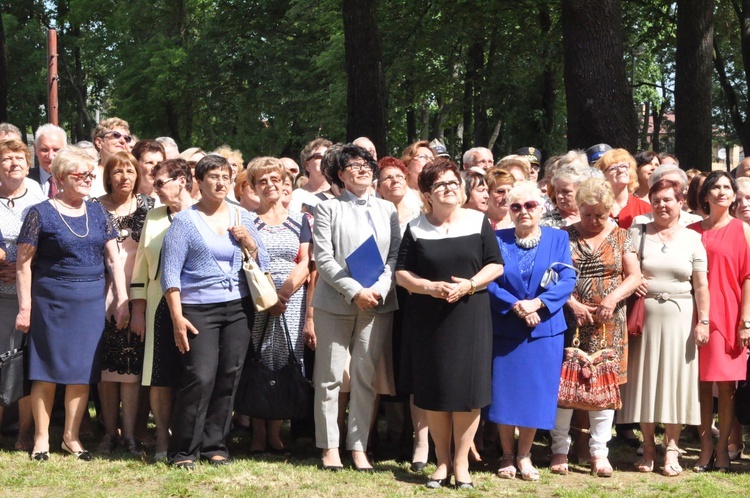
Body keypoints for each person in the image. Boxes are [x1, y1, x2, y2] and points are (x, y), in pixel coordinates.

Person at [16, 145, 129, 461]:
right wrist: (25, 308)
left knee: (82, 371)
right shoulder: (40, 212)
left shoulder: (98, 211)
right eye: (83, 174)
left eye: (91, 175)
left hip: (90, 301)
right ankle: (41, 438)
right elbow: (24, 264)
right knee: (46, 370)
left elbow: (113, 258)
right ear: (62, 176)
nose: (88, 180)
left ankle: (71, 437)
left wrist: (121, 298)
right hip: (51, 300)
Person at [396, 158, 503, 489]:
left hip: (470, 315)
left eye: (453, 182)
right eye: (439, 184)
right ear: (426, 193)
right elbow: (401, 274)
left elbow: (495, 266)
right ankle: (441, 462)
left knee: (467, 392)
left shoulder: (477, 221)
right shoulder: (415, 228)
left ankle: (461, 465)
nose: (448, 188)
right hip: (429, 319)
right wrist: (428, 287)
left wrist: (469, 284)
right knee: (436, 391)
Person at [160, 154, 269, 468]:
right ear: (199, 181)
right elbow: (171, 274)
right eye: (213, 177)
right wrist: (177, 318)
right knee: (201, 376)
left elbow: (263, 264)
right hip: (197, 309)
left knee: (229, 375)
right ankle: (183, 451)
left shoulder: (241, 216)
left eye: (225, 177)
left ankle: (214, 445)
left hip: (238, 308)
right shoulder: (184, 221)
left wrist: (250, 242)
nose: (220, 183)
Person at [312, 144, 401, 472]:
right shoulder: (327, 209)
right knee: (330, 377)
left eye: (367, 164)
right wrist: (354, 291)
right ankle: (330, 447)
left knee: (365, 377)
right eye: (354, 165)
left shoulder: (387, 210)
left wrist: (376, 290)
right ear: (340, 174)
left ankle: (359, 446)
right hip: (335, 303)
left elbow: (393, 257)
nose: (363, 169)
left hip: (377, 303)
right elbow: (323, 258)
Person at [549, 178, 641, 478]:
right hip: (570, 321)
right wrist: (571, 302)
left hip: (608, 324)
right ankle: (559, 449)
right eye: (587, 214)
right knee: (565, 388)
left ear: (608, 210)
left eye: (598, 215)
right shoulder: (564, 236)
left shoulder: (621, 235)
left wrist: (613, 299)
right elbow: (551, 277)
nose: (592, 220)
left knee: (604, 389)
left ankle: (599, 452)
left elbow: (634, 276)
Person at [618, 179, 710, 477]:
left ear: (681, 201)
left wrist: (704, 321)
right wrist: (635, 279)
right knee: (644, 380)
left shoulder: (693, 239)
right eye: (656, 200)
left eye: (668, 200)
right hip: (644, 316)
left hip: (682, 316)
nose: (662, 205)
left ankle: (671, 448)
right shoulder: (637, 231)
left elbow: (701, 284)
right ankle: (647, 447)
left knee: (676, 381)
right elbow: (624, 268)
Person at [487, 180, 576, 482]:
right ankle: (506, 454)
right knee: (505, 392)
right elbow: (489, 281)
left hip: (545, 330)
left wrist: (538, 304)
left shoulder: (557, 238)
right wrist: (516, 306)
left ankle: (524, 454)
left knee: (535, 393)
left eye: (529, 205)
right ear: (508, 211)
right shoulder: (497, 239)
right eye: (516, 206)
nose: (523, 211)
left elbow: (566, 278)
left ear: (541, 208)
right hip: (507, 330)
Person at [244, 157, 313, 454]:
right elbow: (247, 261)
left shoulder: (302, 220)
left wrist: (282, 296)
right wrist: (269, 299)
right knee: (259, 360)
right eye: (263, 181)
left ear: (285, 183)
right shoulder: (246, 220)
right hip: (258, 298)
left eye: (275, 179)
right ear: (253, 187)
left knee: (286, 362)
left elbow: (307, 261)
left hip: (292, 300)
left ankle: (275, 431)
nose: (270, 185)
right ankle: (258, 433)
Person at [130, 159, 195, 461]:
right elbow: (141, 267)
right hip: (158, 304)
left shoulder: (203, 214)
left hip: (199, 304)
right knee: (159, 374)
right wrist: (138, 310)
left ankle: (195, 438)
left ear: (181, 180)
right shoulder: (153, 218)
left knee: (197, 374)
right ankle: (161, 439)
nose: (154, 189)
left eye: (159, 183)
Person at [688, 171, 750, 473]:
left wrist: (746, 321)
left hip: (730, 314)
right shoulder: (691, 231)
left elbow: (748, 277)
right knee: (700, 386)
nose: (722, 192)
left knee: (727, 387)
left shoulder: (743, 230)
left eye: (728, 187)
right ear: (706, 195)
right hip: (696, 316)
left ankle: (725, 448)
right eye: (716, 187)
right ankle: (705, 448)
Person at [94, 151, 155, 455]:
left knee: (131, 369)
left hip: (140, 294)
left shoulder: (150, 207)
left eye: (130, 171)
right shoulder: (94, 208)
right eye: (117, 171)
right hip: (99, 295)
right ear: (108, 176)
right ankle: (108, 433)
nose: (124, 177)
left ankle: (130, 435)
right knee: (107, 370)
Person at [376, 156, 425, 468]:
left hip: (414, 298)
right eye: (386, 178)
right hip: (381, 297)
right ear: (378, 187)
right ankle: (390, 433)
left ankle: (413, 435)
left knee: (411, 363)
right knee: (388, 363)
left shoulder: (422, 211)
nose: (393, 181)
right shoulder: (374, 212)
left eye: (398, 176)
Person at [0, 139, 46, 451]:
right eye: (7, 158)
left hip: (30, 290)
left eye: (19, 157)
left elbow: (48, 236)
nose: (14, 163)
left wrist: (20, 265)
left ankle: (24, 434)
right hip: (0, 291)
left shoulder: (37, 193)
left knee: (26, 362)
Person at [596, 148, 651, 229]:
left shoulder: (645, 208)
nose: (620, 170)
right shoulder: (595, 208)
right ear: (602, 176)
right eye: (613, 168)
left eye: (624, 166)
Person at [540, 152, 594, 228]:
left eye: (566, 191)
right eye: (557, 191)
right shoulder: (545, 224)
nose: (559, 196)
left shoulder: (596, 217)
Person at [289, 138, 334, 213]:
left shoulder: (341, 193)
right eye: (319, 156)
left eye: (329, 156)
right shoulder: (296, 196)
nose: (325, 160)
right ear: (307, 165)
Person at [92, 117, 133, 198]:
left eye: (126, 138)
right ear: (99, 142)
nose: (122, 141)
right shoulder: (89, 172)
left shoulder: (134, 172)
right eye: (116, 135)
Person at [28, 124, 67, 197]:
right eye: (44, 150)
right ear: (35, 149)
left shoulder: (75, 179)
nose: (50, 156)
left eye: (56, 150)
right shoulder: (25, 180)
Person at [400, 140, 435, 212]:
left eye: (432, 159)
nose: (429, 162)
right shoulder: (399, 192)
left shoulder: (435, 193)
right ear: (407, 163)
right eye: (422, 157)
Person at [132, 140, 166, 204]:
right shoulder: (124, 198)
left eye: (159, 163)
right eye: (149, 163)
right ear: (135, 164)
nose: (155, 167)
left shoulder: (168, 200)